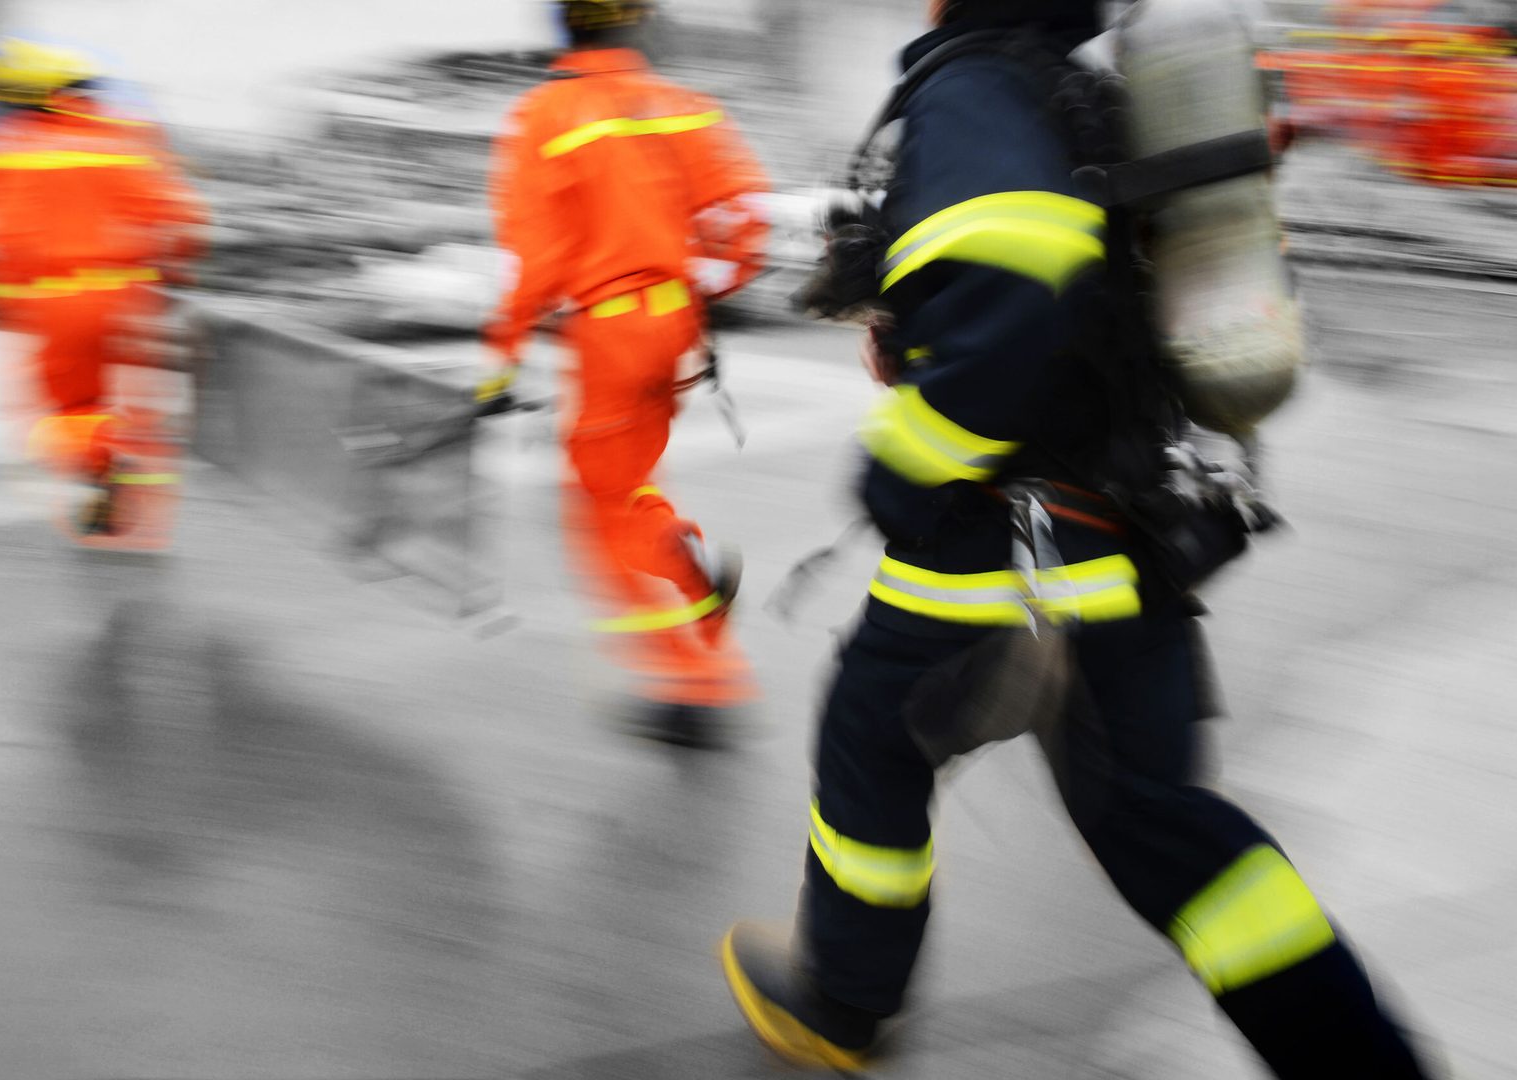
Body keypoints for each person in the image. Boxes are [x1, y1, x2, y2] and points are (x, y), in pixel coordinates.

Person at [719, 0, 1436, 1075]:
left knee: (870, 744)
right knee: (1170, 831)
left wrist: (902, 469)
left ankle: (842, 1004)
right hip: (1126, 534)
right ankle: (1361, 1059)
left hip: (993, 550)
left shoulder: (978, 87)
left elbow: (1009, 296)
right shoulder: (1091, 96)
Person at [483, 0, 772, 746]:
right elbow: (746, 213)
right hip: (672, 322)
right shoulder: (683, 107)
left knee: (603, 514)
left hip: (608, 330)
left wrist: (502, 354)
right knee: (626, 483)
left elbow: (538, 258)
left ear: (563, 25)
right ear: (634, 23)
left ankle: (692, 629)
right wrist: (711, 284)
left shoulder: (545, 115)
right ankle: (696, 671)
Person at [0, 38, 206, 540]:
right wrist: (174, 276)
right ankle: (139, 447)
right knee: (136, 390)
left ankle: (104, 472)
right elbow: (184, 216)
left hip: (50, 303)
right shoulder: (124, 141)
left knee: (74, 408)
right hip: (128, 296)